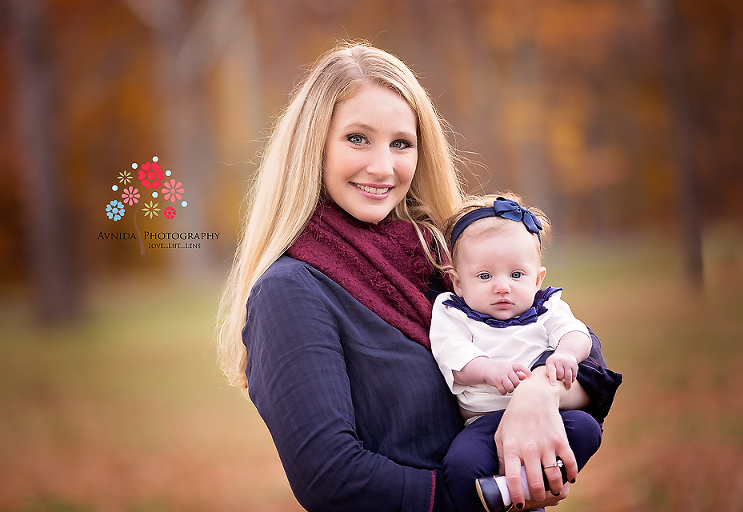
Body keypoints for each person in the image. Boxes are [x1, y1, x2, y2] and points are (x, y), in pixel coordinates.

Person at [217, 41, 622, 512]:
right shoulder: (290, 291)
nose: (383, 166)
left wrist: (538, 393)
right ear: (314, 146)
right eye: (357, 138)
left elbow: (578, 347)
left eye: (401, 143)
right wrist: (464, 501)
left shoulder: (440, 256)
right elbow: (329, 476)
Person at [431, 193, 607, 512]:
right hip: (485, 423)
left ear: (537, 278)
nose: (502, 286)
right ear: (457, 283)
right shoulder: (452, 311)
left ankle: (524, 486)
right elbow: (452, 356)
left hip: (546, 418)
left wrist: (567, 353)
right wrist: (487, 370)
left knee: (586, 428)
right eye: (485, 276)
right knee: (459, 466)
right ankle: (502, 493)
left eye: (516, 275)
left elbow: (576, 333)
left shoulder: (546, 307)